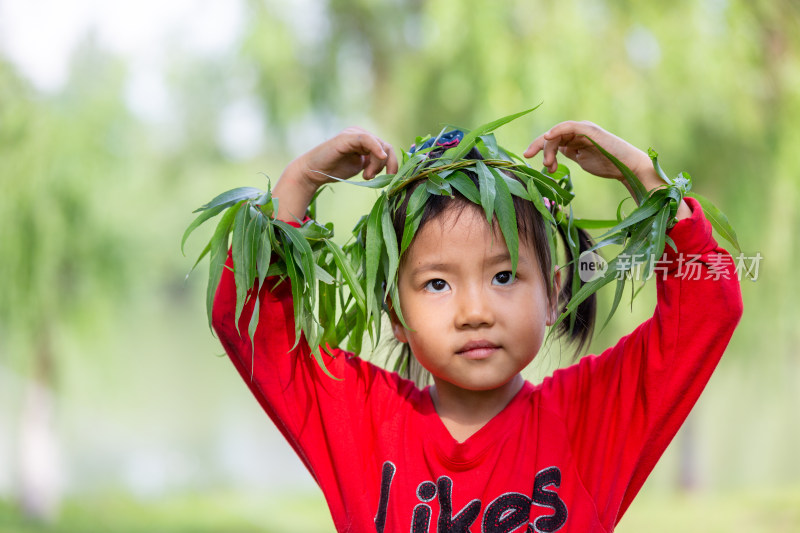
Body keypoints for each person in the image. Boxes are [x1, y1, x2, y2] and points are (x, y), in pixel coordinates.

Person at [211, 120, 742, 532]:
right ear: (396, 315)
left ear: (555, 292)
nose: (475, 312)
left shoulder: (588, 424)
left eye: (504, 275)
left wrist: (645, 181)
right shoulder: (364, 424)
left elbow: (708, 305)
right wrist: (299, 182)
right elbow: (253, 324)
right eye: (437, 284)